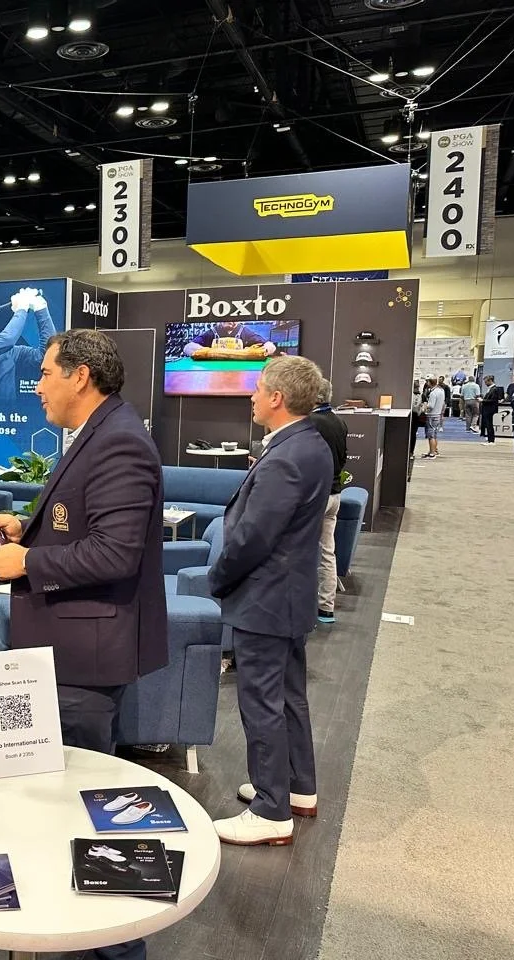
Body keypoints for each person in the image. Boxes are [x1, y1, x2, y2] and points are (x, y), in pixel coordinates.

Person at [0, 328, 165, 960]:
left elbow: (116, 552)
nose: (36, 384)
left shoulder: (118, 442)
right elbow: (85, 524)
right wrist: (26, 528)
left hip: (83, 657)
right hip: (68, 647)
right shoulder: (101, 433)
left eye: (44, 372)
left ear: (79, 376)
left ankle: (107, 943)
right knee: (69, 801)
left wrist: (29, 560)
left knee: (86, 813)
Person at [208, 355, 332, 846]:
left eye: (258, 389)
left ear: (277, 398)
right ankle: (296, 789)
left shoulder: (285, 456)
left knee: (262, 703)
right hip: (289, 596)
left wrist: (217, 578)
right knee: (287, 698)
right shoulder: (311, 444)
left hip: (266, 599)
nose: (252, 396)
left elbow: (251, 538)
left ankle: (270, 808)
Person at [308, 380, 347, 625]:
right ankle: (326, 608)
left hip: (315, 495)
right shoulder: (338, 420)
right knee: (327, 553)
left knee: (297, 551)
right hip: (334, 494)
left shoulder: (310, 423)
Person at [182, 321, 277, 359]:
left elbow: (270, 346)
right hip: (213, 371)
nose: (231, 321)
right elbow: (188, 347)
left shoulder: (245, 331)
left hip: (239, 370)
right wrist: (208, 352)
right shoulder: (211, 333)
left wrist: (264, 351)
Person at [422, 378, 447, 459]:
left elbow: (431, 406)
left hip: (431, 415)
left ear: (430, 382)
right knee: (434, 434)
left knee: (431, 435)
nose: (426, 383)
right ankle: (434, 450)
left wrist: (424, 406)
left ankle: (432, 453)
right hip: (437, 414)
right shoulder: (441, 391)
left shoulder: (433, 393)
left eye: (427, 381)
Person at [480, 375, 504, 444]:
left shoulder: (494, 389)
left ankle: (491, 440)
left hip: (490, 409)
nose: (485, 383)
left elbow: (493, 400)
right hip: (487, 409)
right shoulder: (491, 389)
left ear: (490, 381)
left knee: (489, 425)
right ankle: (489, 439)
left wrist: (482, 400)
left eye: (486, 382)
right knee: (488, 425)